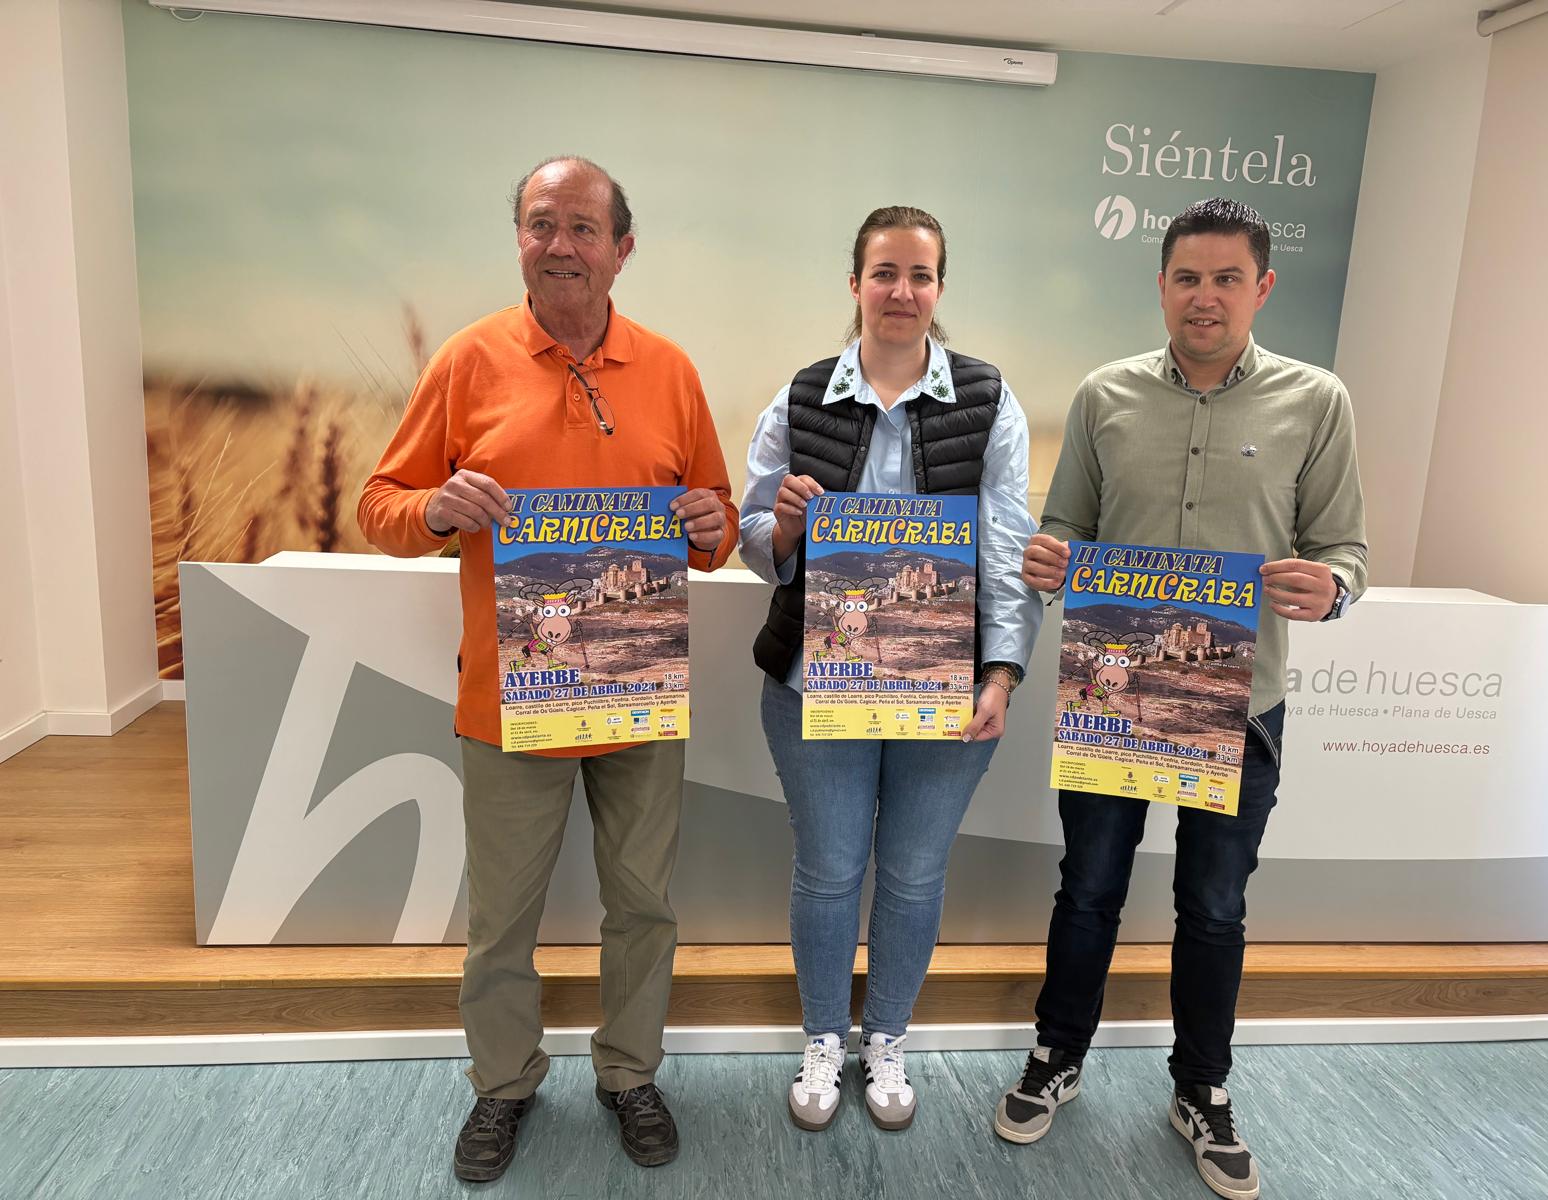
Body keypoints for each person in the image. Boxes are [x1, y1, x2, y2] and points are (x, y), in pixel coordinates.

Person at [357, 156, 738, 1180]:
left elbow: (715, 526)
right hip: (507, 700)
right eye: (540, 224)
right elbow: (380, 504)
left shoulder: (671, 369)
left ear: (622, 248)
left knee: (644, 906)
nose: (559, 244)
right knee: (501, 922)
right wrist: (435, 509)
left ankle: (629, 1073)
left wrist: (716, 523)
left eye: (581, 227)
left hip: (640, 698)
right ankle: (503, 1085)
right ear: (518, 239)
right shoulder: (466, 361)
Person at [992, 197, 1367, 1200]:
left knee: (1212, 906)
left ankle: (1200, 1089)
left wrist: (1331, 589)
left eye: (1226, 279)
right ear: (1160, 285)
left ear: (1262, 287)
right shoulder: (1104, 395)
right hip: (1117, 686)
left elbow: (1345, 552)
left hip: (1242, 701)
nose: (1205, 297)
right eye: (1187, 278)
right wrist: (1046, 556)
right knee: (1090, 889)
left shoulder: (1316, 399)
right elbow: (1065, 527)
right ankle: (1055, 1055)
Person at [741, 206, 1042, 1133]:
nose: (902, 292)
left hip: (944, 691)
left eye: (920, 275)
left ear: (939, 288)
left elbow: (1003, 547)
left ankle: (888, 1040)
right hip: (812, 686)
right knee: (829, 871)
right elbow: (754, 542)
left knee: (913, 875)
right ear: (855, 283)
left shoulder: (989, 401)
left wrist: (1001, 674)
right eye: (884, 273)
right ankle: (824, 1038)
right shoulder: (799, 397)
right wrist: (785, 525)